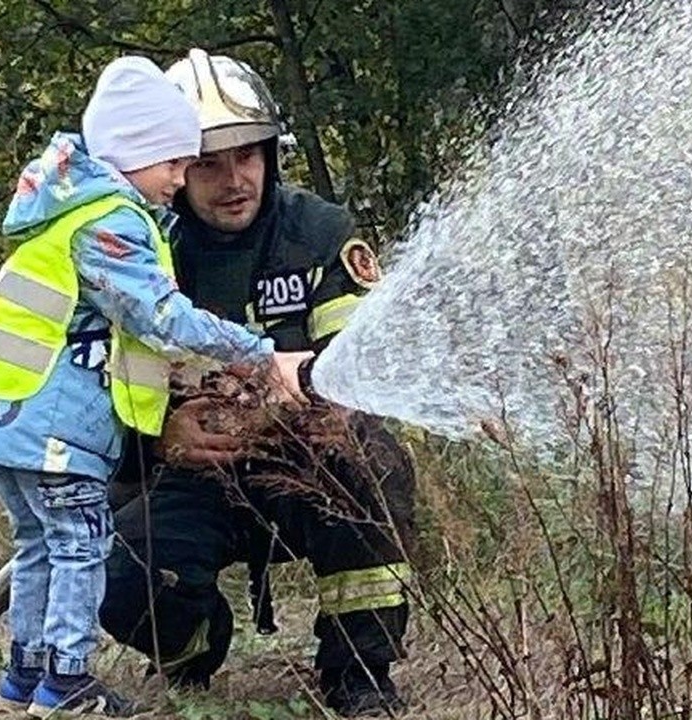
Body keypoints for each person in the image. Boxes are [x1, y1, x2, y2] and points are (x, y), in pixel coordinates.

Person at [0, 56, 311, 718]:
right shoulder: (112, 220)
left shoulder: (65, 213)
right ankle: (67, 685)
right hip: (52, 426)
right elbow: (160, 316)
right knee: (81, 545)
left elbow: (122, 342)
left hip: (0, 415)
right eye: (174, 161)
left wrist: (201, 376)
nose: (181, 176)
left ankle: (23, 676)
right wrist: (261, 354)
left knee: (37, 547)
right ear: (135, 153)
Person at [99, 49, 416, 717]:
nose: (233, 179)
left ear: (273, 154)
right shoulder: (137, 251)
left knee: (375, 462)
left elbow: (364, 365)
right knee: (119, 569)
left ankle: (359, 675)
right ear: (175, 170)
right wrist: (156, 436)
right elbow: (98, 391)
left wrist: (290, 403)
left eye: (247, 154)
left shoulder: (320, 235)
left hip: (310, 461)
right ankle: (194, 645)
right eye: (207, 163)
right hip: (196, 474)